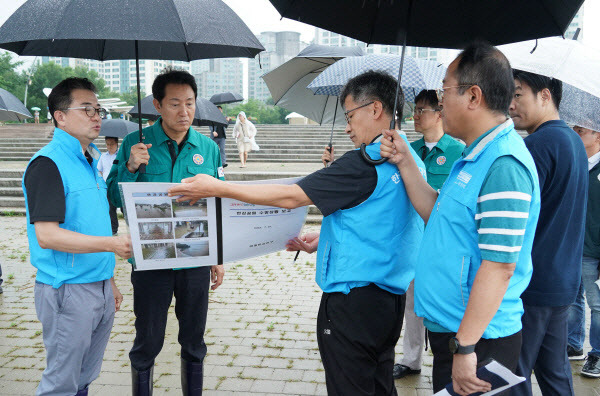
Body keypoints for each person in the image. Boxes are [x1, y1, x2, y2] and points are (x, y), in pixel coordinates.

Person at [168, 70, 426, 395]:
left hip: (353, 305)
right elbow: (385, 222)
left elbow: (292, 197)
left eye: (350, 115)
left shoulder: (366, 162)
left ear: (375, 109)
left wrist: (218, 187)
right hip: (389, 302)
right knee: (378, 385)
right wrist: (325, 239)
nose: (347, 126)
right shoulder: (410, 159)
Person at [381, 42, 541, 396]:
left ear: (473, 96)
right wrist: (406, 160)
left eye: (444, 92)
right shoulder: (474, 155)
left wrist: (466, 347)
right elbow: (438, 214)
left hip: (478, 341)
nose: (440, 103)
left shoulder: (503, 165)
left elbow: (499, 267)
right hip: (454, 331)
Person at [106, 68, 225, 396]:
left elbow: (218, 201)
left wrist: (218, 254)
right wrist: (130, 167)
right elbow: (115, 198)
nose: (184, 111)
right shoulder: (134, 143)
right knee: (148, 340)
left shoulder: (208, 147)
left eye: (190, 103)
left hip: (195, 260)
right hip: (151, 260)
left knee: (194, 341)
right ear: (157, 105)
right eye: (174, 103)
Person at [22, 77, 132, 396]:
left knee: (84, 376)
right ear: (60, 116)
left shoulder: (91, 161)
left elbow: (92, 224)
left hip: (99, 287)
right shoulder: (48, 163)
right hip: (67, 289)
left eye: (97, 108)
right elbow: (47, 235)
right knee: (61, 383)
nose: (96, 116)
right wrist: (113, 244)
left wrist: (108, 279)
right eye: (86, 109)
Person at [508, 70, 588, 396]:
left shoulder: (537, 146)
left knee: (511, 375)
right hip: (563, 283)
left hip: (532, 285)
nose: (511, 104)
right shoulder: (573, 141)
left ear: (545, 95)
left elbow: (515, 218)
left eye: (517, 94)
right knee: (555, 374)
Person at [393, 89, 465, 380]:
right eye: (415, 109)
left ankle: (448, 355)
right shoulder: (407, 149)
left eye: (423, 110)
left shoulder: (459, 151)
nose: (416, 116)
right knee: (411, 304)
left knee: (441, 304)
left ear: (439, 113)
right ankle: (411, 359)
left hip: (442, 242)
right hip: (412, 239)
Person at [567, 124, 600, 378]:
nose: (575, 134)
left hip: (593, 249)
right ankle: (573, 344)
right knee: (572, 297)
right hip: (571, 245)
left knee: (596, 305)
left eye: (581, 131)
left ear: (597, 135)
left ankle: (597, 354)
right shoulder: (576, 163)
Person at [97, 136, 119, 235]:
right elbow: (100, 170)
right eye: (107, 144)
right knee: (110, 209)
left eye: (112, 144)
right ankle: (114, 230)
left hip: (118, 185)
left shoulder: (121, 155)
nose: (109, 146)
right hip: (107, 186)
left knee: (124, 208)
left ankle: (131, 228)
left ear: (116, 144)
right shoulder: (103, 156)